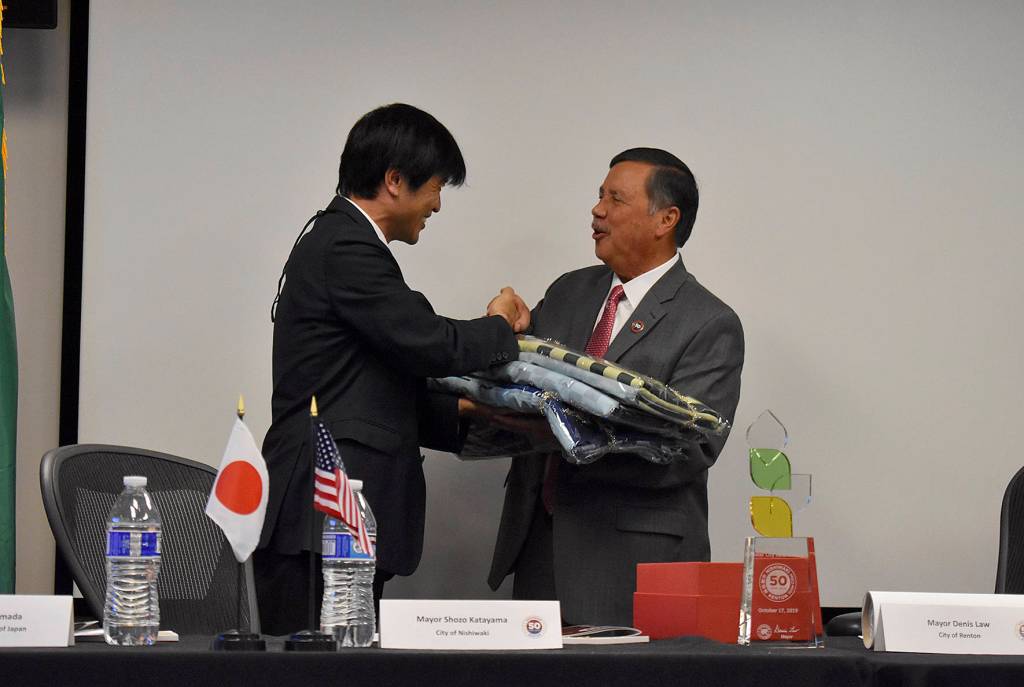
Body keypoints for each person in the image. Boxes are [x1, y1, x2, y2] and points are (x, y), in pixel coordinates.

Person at [256, 103, 530, 635]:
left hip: (335, 520)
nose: (437, 205)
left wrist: (475, 411)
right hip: (322, 515)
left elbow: (378, 381)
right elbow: (427, 342)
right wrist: (499, 326)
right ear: (395, 181)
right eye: (435, 187)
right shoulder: (346, 247)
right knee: (311, 671)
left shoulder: (339, 242)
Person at [488, 148, 744, 626]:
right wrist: (504, 339)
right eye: (599, 196)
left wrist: (573, 437)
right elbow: (529, 390)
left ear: (665, 219)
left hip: (631, 557)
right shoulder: (568, 290)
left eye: (616, 199)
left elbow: (693, 449)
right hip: (540, 545)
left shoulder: (709, 323)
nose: (597, 209)